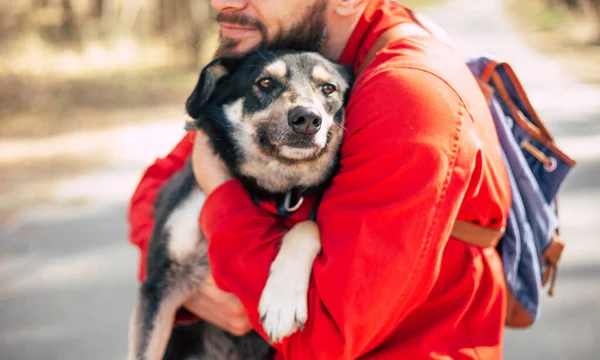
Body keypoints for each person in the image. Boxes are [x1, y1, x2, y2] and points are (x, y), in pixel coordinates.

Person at [127, 0, 512, 359]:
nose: (222, 3)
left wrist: (222, 200)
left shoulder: (410, 96)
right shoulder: (294, 58)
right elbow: (155, 189)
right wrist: (187, 287)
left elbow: (324, 337)